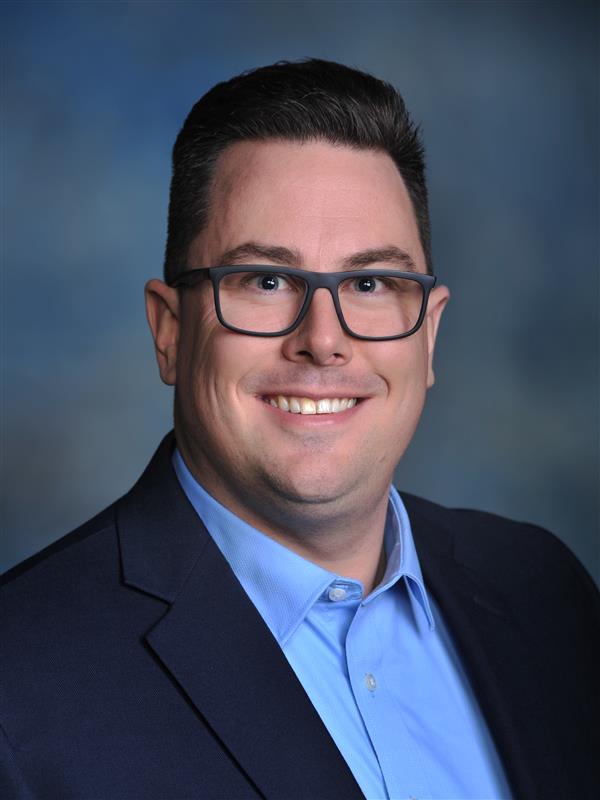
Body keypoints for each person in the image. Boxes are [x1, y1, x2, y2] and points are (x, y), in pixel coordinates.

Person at [1, 59, 598, 800]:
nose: (322, 340)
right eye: (266, 280)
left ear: (430, 335)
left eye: (371, 283)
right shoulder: (19, 685)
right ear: (169, 331)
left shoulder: (546, 593)